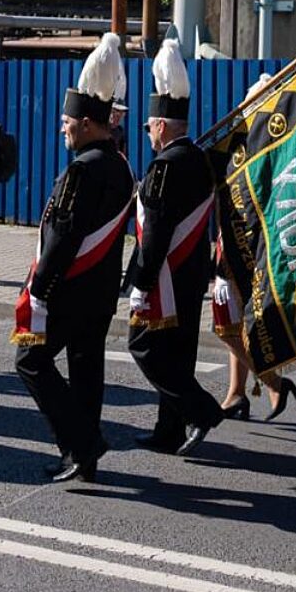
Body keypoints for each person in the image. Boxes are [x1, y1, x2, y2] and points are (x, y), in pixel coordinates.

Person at [13, 32, 135, 484]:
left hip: (69, 288)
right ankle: (84, 457)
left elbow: (63, 236)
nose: (62, 126)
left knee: (30, 363)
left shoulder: (83, 169)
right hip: (99, 289)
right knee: (86, 369)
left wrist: (39, 289)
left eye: (67, 120)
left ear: (86, 122)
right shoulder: (120, 163)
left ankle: (82, 444)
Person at [126, 39, 222, 455]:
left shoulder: (164, 165)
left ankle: (201, 410)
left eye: (148, 126)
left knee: (143, 345)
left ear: (161, 125)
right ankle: (169, 431)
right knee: (179, 353)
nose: (147, 133)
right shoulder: (198, 158)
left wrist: (141, 282)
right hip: (191, 271)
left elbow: (158, 230)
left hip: (166, 274)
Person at [208, 74, 296, 423]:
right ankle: (235, 394)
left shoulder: (263, 149)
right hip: (231, 243)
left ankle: (274, 380)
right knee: (238, 324)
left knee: (225, 327)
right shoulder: (242, 142)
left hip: (242, 249)